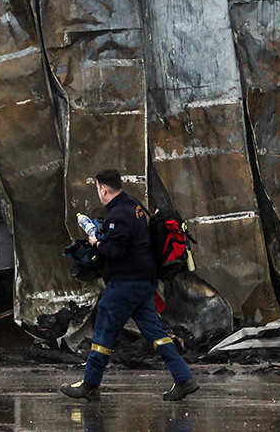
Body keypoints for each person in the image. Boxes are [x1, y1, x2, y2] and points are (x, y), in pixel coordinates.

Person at [60, 168, 199, 402]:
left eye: (97, 189)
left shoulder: (119, 214)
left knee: (104, 329)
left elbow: (115, 250)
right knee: (157, 334)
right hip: (143, 282)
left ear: (103, 189)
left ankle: (90, 384)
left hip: (125, 284)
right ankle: (184, 378)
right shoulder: (134, 207)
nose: (98, 193)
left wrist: (95, 241)